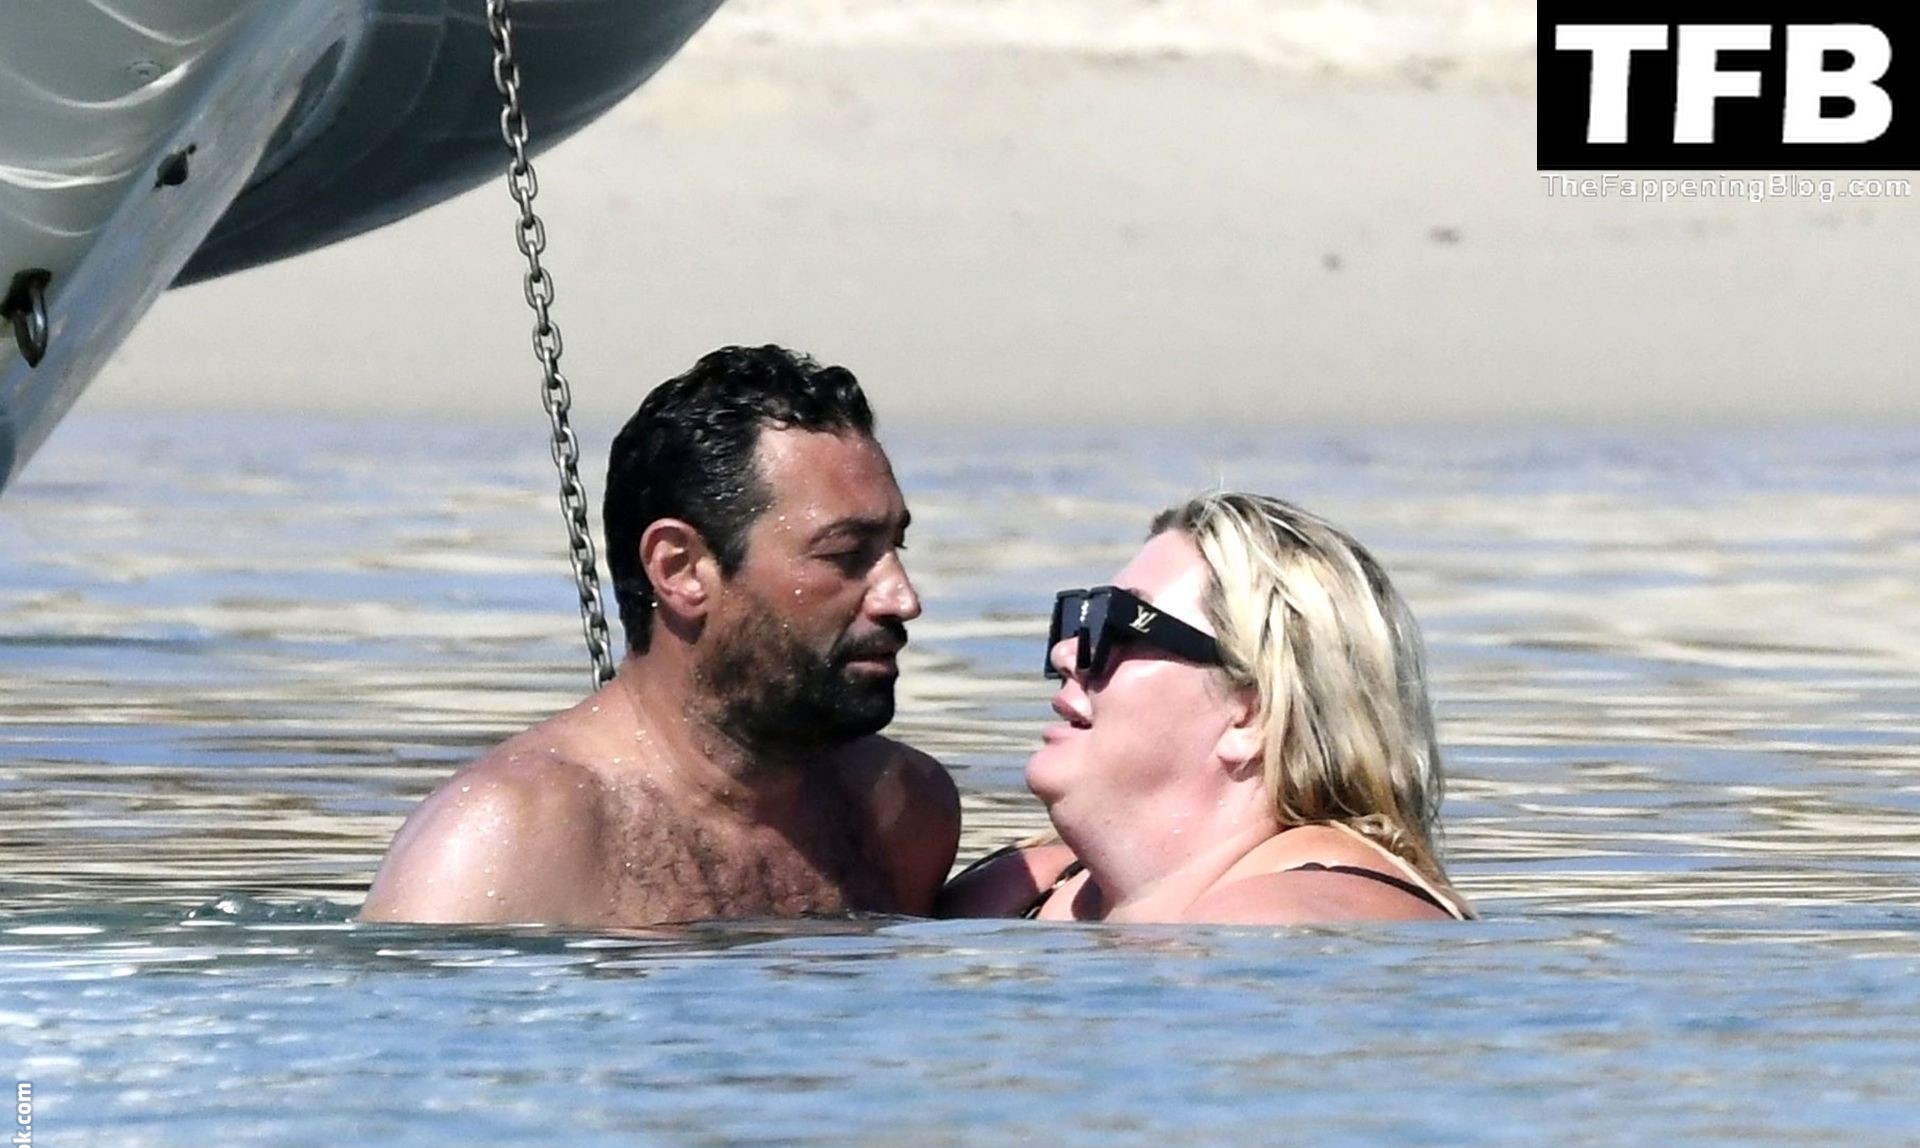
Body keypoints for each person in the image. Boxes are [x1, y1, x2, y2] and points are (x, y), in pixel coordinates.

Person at [361, 345, 959, 926]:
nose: (902, 598)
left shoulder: (901, 811)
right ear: (680, 570)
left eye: (895, 547)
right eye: (846, 554)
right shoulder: (505, 843)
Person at [939, 490, 1473, 923]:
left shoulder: (1295, 917)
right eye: (1081, 617)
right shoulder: (1017, 888)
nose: (1066, 653)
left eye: (1118, 627)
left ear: (1252, 715)